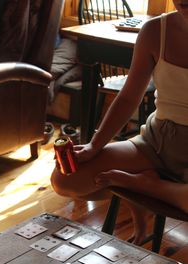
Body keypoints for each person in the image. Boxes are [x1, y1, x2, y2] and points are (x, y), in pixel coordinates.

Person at [51, 0, 188, 245]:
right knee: (65, 179)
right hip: (157, 143)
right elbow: (127, 98)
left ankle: (144, 186)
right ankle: (149, 187)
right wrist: (95, 146)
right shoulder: (155, 31)